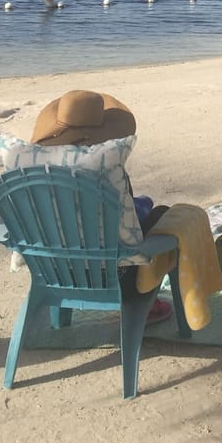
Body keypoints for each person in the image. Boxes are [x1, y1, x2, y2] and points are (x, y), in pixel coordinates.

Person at [29, 89, 172, 323]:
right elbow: (129, 230)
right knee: (162, 216)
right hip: (117, 282)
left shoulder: (33, 174)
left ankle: (60, 318)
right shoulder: (110, 172)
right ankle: (147, 301)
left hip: (53, 276)